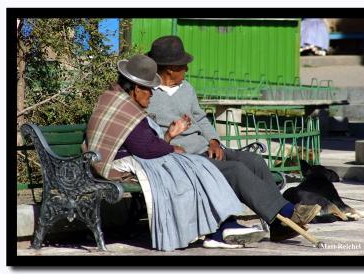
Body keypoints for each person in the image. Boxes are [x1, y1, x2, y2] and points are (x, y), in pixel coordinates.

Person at [146, 35, 321, 242]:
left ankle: (278, 225)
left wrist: (214, 141)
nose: (188, 70)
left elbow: (201, 117)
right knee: (236, 171)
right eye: (184, 66)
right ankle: (287, 210)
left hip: (205, 148)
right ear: (171, 69)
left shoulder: (187, 88)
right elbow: (150, 135)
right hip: (185, 158)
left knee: (254, 161)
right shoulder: (148, 94)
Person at [85, 54, 267, 251]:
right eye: (149, 91)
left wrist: (169, 136)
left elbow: (144, 144)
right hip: (117, 165)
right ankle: (221, 228)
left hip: (133, 158)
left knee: (197, 166)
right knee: (192, 169)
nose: (152, 95)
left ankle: (222, 227)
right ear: (137, 89)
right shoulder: (125, 108)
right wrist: (170, 147)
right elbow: (145, 147)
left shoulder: (117, 98)